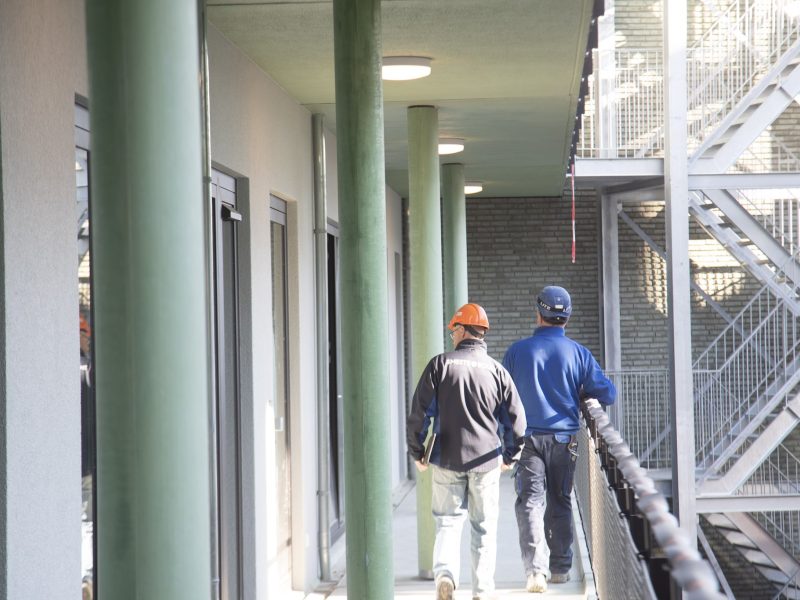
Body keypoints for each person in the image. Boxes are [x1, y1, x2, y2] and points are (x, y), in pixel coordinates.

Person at [407, 303, 527, 600]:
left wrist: (417, 451)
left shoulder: (441, 365)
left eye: (453, 330)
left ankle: (445, 575)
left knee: (447, 521)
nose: (451, 336)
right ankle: (482, 591)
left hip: (446, 459)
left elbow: (419, 412)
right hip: (486, 461)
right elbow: (516, 420)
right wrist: (511, 455)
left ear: (463, 330)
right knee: (483, 528)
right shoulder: (497, 371)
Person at [502, 286, 616, 594]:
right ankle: (560, 568)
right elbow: (608, 393)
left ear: (538, 314)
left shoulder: (517, 352)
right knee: (561, 500)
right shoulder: (578, 353)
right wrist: (579, 392)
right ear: (566, 318)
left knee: (530, 503)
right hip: (565, 438)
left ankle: (534, 571)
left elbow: (502, 399)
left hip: (526, 440)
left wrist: (504, 442)